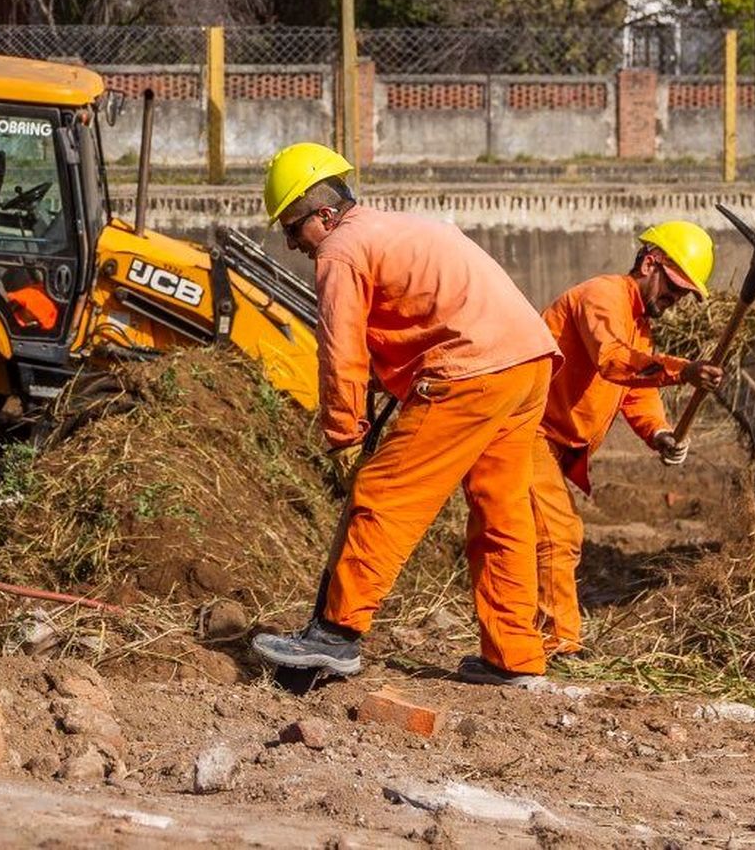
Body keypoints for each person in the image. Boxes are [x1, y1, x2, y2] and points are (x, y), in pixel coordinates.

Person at [250, 143, 561, 687]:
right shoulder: (398, 228)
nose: (291, 242)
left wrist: (345, 433)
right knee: (502, 512)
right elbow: (415, 315)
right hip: (527, 361)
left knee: (386, 495)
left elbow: (340, 351)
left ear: (324, 215)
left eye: (293, 227)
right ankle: (514, 657)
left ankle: (336, 635)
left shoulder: (341, 251)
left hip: (471, 370)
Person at [532, 221, 723, 658]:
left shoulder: (639, 322)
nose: (675, 300)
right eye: (673, 286)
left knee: (529, 536)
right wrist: (685, 370)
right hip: (528, 432)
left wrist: (659, 433)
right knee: (557, 534)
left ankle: (524, 635)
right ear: (650, 262)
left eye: (683, 294)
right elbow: (613, 362)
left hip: (557, 447)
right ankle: (556, 644)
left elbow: (635, 389)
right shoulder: (603, 296)